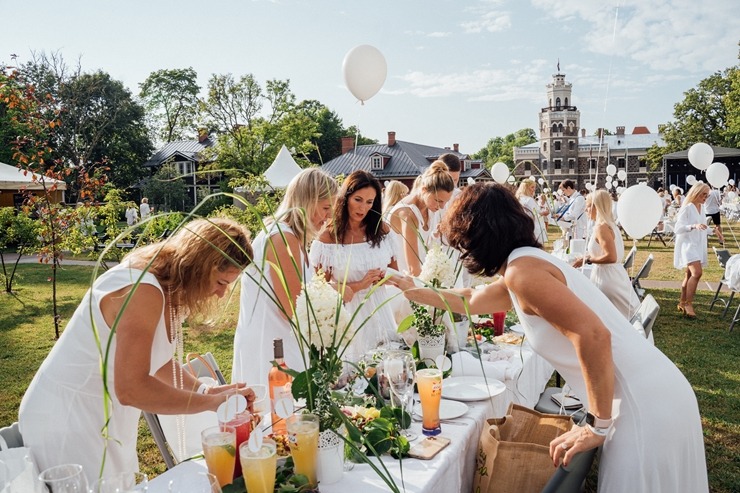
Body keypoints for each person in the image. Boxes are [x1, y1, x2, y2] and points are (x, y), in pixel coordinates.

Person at [390, 183, 708, 492]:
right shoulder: (524, 264)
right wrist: (411, 288)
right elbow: (471, 299)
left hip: (641, 405)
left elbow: (593, 335)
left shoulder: (523, 273)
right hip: (652, 392)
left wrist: (597, 424)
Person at [19, 218, 255, 480]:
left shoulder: (170, 290)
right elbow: (132, 388)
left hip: (106, 416)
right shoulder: (142, 291)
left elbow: (159, 359)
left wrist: (205, 389)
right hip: (68, 417)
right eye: (221, 282)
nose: (222, 294)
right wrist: (211, 403)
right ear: (200, 266)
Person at [232, 168, 338, 387]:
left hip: (282, 340)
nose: (329, 217)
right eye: (326, 208)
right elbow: (292, 308)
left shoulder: (292, 237)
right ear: (306, 202)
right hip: (271, 345)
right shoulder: (282, 238)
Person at [310, 170, 400, 360]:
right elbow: (319, 291)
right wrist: (360, 285)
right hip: (348, 316)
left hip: (380, 310)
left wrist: (385, 278)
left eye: (370, 202)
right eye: (358, 199)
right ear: (345, 198)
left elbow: (395, 273)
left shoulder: (381, 229)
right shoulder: (328, 237)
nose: (363, 208)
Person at [573, 190, 640, 319]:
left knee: (611, 317)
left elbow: (611, 256)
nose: (585, 210)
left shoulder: (601, 227)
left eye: (587, 206)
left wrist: (588, 260)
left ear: (596, 207)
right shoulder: (610, 225)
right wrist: (587, 257)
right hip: (614, 275)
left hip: (607, 278)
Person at [388, 160, 455, 276]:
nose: (442, 206)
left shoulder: (431, 208)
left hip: (424, 277)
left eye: (445, 202)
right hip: (403, 281)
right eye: (438, 201)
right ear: (424, 190)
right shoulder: (407, 214)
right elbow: (413, 269)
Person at [674, 183, 710, 319]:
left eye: (707, 195)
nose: (705, 198)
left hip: (697, 245)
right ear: (696, 193)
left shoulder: (702, 207)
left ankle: (682, 302)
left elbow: (703, 226)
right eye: (703, 194)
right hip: (688, 245)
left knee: (689, 276)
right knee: (697, 273)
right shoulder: (687, 208)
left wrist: (714, 231)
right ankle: (689, 303)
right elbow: (678, 228)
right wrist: (693, 226)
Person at [516, 180, 548, 244]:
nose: (534, 189)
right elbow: (532, 216)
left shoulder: (519, 198)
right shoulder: (529, 200)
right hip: (535, 228)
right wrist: (543, 213)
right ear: (526, 188)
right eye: (532, 187)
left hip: (525, 228)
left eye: (534, 187)